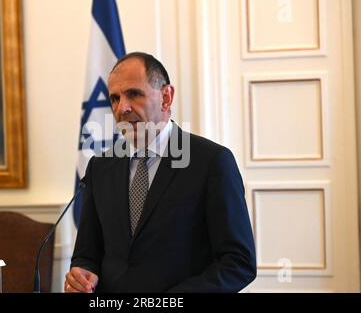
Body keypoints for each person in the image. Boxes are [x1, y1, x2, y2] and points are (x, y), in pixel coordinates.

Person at [65, 52, 256, 293]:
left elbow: (238, 263)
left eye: (134, 94)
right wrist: (81, 275)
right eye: (114, 98)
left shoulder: (211, 162)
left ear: (166, 97)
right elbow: (87, 253)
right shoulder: (100, 167)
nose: (122, 108)